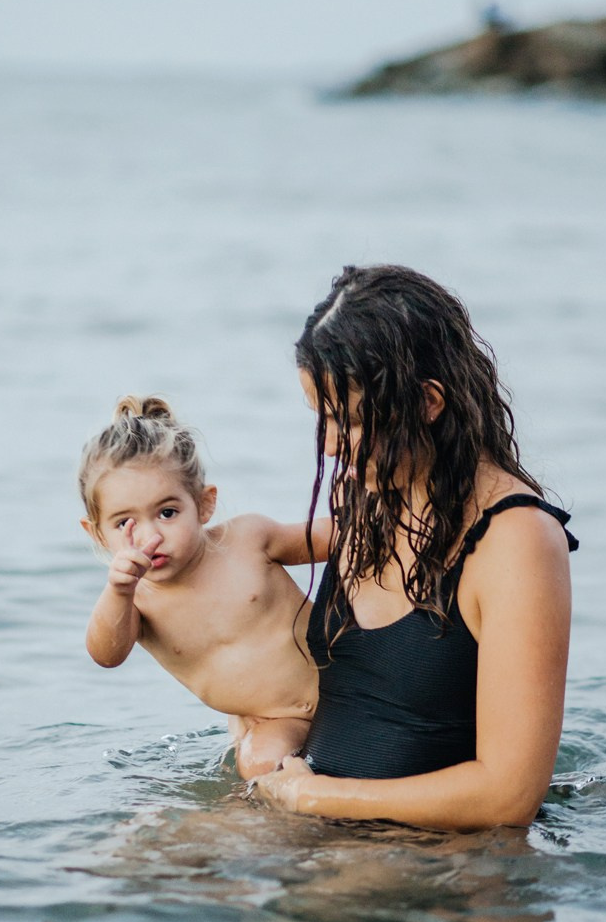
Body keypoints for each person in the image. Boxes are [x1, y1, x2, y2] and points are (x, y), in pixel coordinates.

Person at [253, 264, 578, 832]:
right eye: (320, 420)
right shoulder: (374, 495)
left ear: (428, 401)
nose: (330, 447)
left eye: (349, 421)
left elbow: (507, 796)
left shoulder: (516, 540)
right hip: (314, 826)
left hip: (432, 860)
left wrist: (315, 798)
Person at [80, 396, 331, 779]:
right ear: (97, 534)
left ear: (204, 504)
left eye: (167, 513)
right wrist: (118, 590)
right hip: (275, 719)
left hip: (344, 681)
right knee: (258, 763)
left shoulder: (248, 540)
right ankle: (295, 827)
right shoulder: (136, 603)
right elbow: (106, 655)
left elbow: (334, 538)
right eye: (123, 523)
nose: (150, 536)